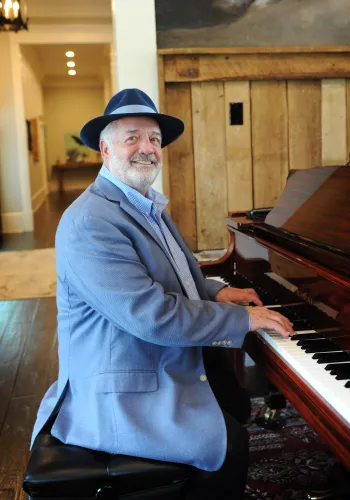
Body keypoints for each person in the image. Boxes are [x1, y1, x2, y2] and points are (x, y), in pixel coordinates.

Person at [31, 88, 294, 500]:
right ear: (104, 147)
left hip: (149, 354)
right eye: (132, 137)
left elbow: (167, 278)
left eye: (154, 139)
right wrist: (244, 320)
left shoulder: (141, 203)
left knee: (236, 404)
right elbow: (151, 314)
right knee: (230, 445)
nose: (147, 149)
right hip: (122, 384)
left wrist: (218, 293)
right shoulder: (90, 222)